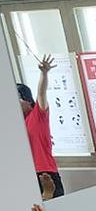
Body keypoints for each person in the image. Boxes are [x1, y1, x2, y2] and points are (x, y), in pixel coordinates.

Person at [18, 55, 64, 198]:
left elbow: (41, 92)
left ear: (27, 100)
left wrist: (44, 74)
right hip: (26, 176)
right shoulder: (16, 123)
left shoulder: (38, 114)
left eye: (18, 99)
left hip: (45, 172)